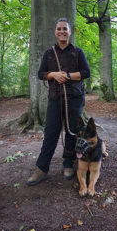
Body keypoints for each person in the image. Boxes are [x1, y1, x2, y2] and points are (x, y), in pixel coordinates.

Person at [27, 18, 90, 186]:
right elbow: (41, 74)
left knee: (71, 132)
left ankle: (68, 163)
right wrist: (54, 75)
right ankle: (42, 168)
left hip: (75, 98)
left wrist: (67, 76)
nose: (62, 31)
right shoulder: (49, 54)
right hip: (55, 99)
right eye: (59, 29)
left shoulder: (78, 52)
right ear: (55, 32)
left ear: (70, 32)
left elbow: (86, 72)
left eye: (65, 29)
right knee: (50, 133)